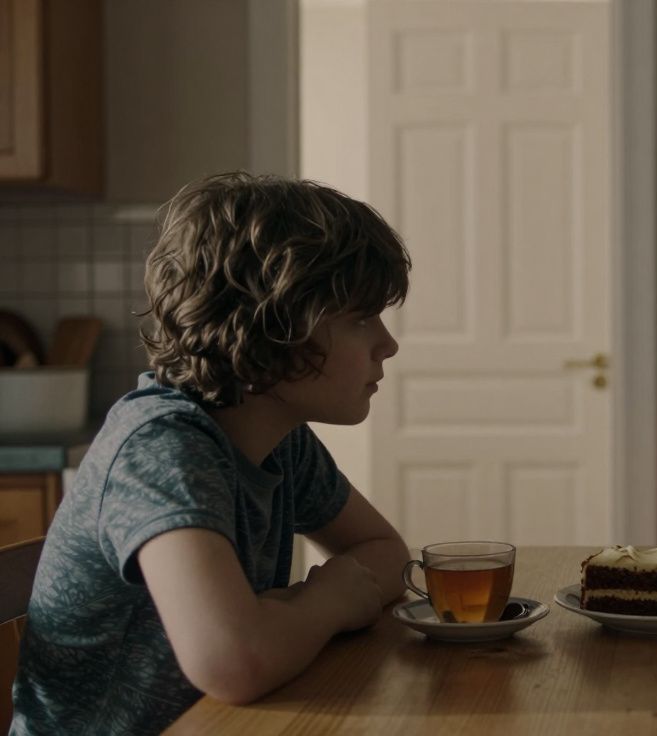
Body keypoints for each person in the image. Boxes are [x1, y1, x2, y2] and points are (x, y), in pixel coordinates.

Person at [9, 173, 413, 735]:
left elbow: (386, 552)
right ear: (271, 325)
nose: (387, 344)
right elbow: (233, 661)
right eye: (361, 318)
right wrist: (323, 605)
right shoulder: (160, 448)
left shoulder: (281, 440)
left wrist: (293, 617)